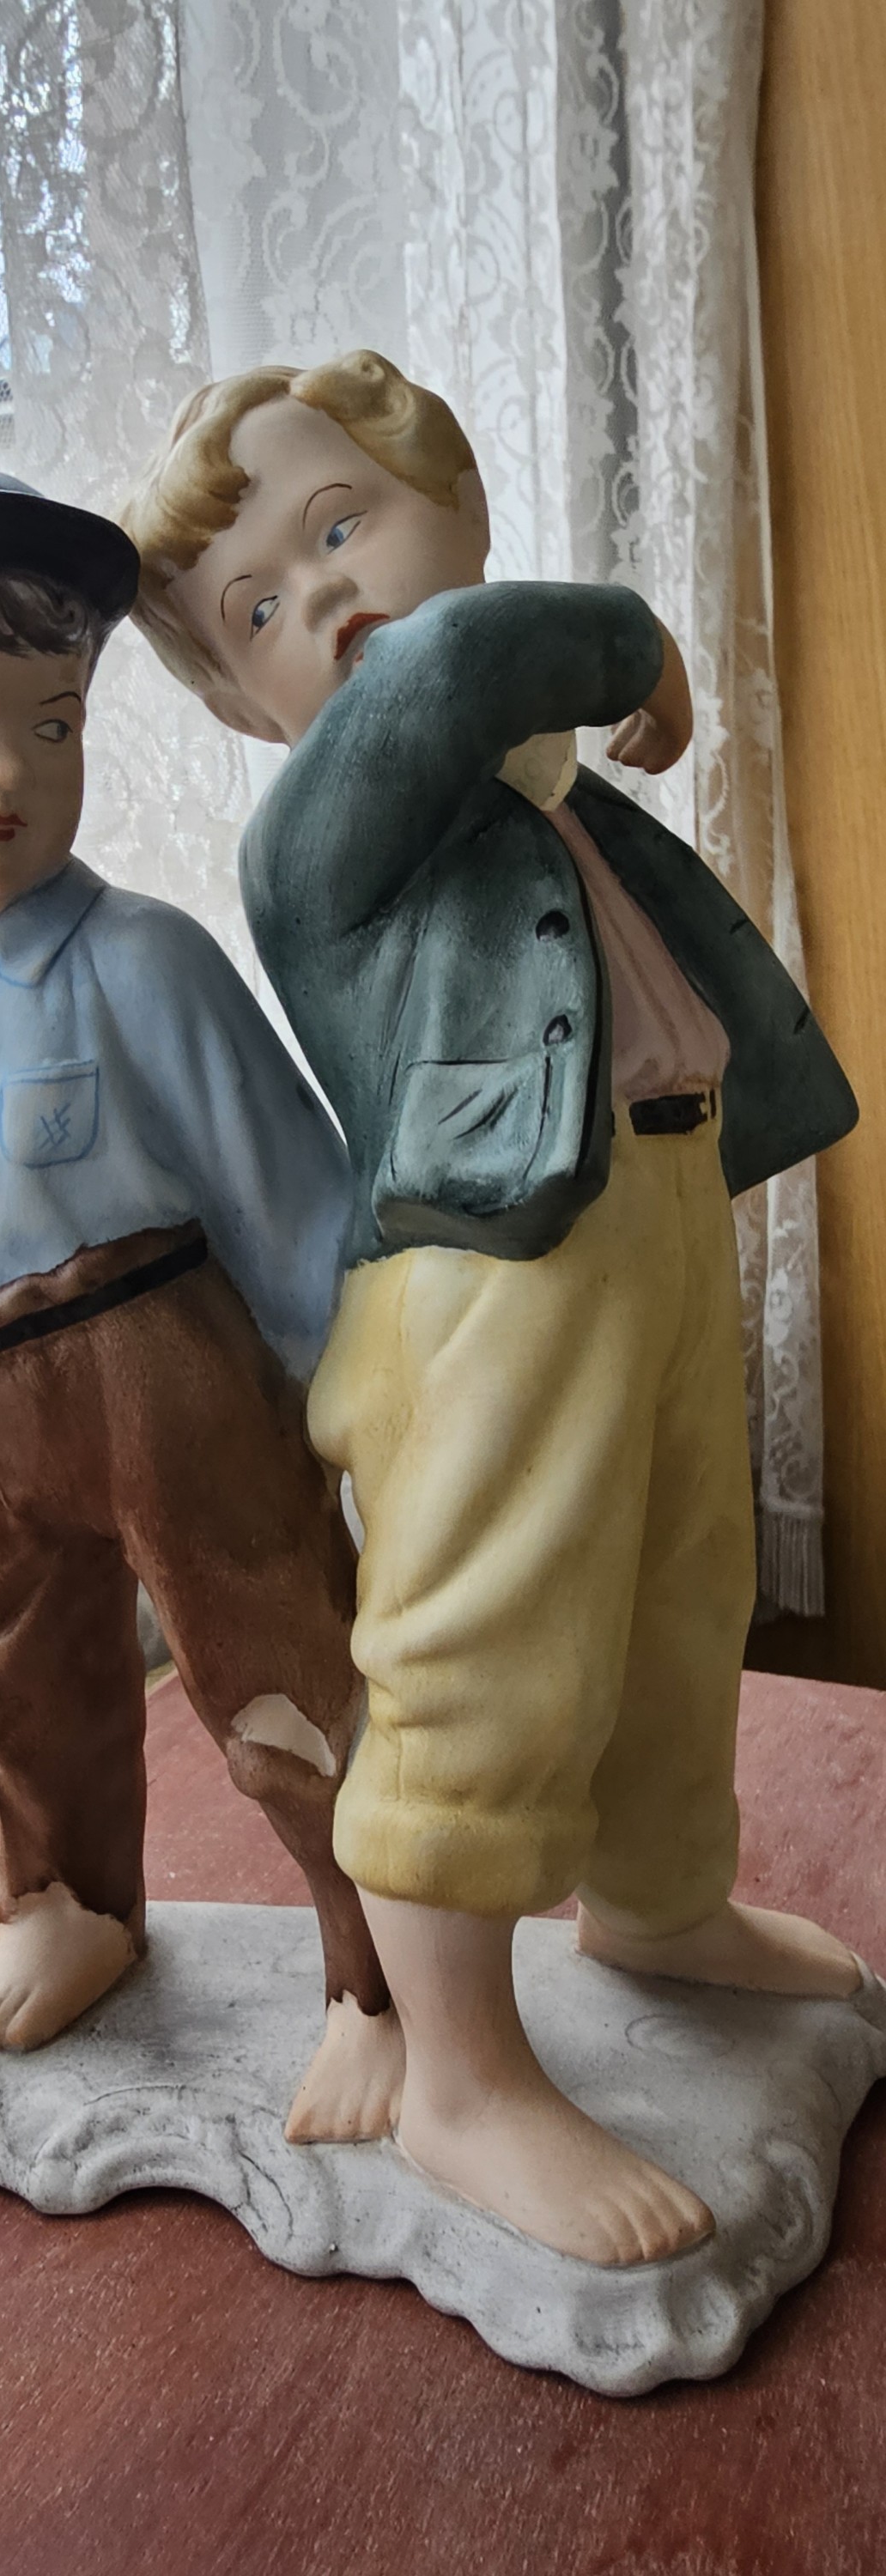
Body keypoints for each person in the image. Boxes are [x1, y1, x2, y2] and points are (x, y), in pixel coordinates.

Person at [117, 349, 862, 2266]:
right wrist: (631, 649)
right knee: (485, 1650)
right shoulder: (328, 830)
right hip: (481, 1286)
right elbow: (449, 668)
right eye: (255, 611)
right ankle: (453, 2076)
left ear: (454, 504)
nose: (322, 597)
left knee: (678, 1593)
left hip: (654, 1215)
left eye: (342, 523)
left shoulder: (541, 802)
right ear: (237, 704)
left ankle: (657, 1903)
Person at [0, 453, 402, 2142]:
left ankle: (379, 1971)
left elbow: (289, 1197)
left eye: (53, 722)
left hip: (155, 1365)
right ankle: (74, 1902)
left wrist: (372, 1418)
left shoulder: (137, 961)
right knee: (20, 1689)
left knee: (275, 1673)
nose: (12, 773)